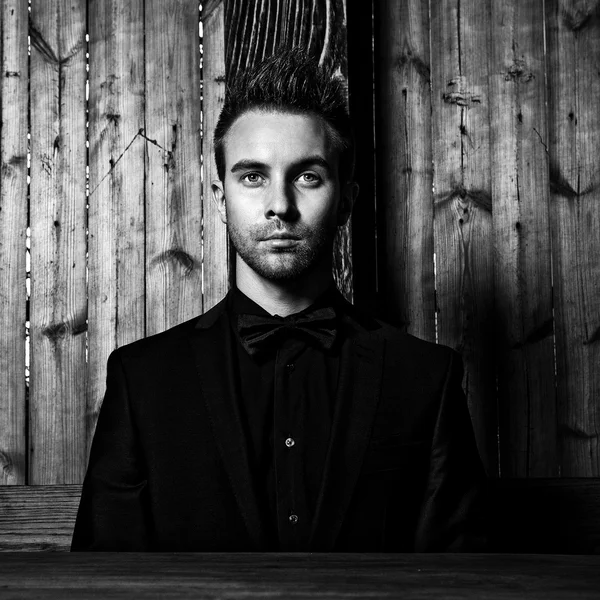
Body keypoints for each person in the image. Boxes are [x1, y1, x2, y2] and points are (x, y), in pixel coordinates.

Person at [71, 48, 487, 552]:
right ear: (221, 196)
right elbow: (104, 580)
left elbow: (461, 579)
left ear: (347, 201)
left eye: (308, 176)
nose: (280, 206)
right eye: (252, 177)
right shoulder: (142, 380)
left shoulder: (427, 379)